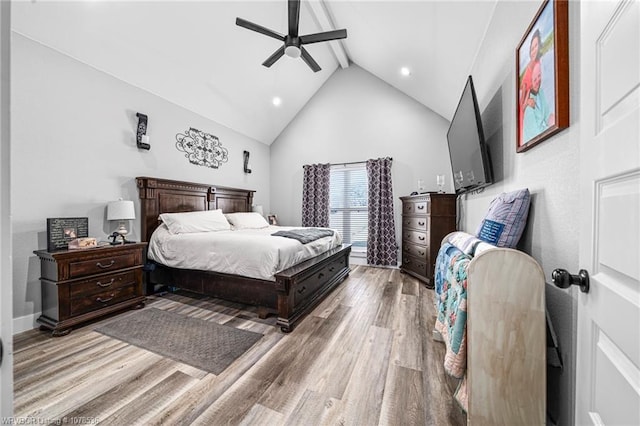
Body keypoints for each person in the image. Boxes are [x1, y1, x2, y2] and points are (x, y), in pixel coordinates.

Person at [522, 61, 555, 142]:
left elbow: (547, 115)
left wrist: (556, 122)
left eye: (539, 76)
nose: (537, 81)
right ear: (530, 82)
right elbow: (536, 135)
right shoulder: (529, 105)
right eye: (534, 79)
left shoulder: (541, 92)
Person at [519, 29, 541, 142]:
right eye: (532, 48)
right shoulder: (526, 75)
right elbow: (521, 107)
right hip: (527, 116)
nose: (534, 50)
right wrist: (527, 102)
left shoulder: (539, 64)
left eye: (536, 46)